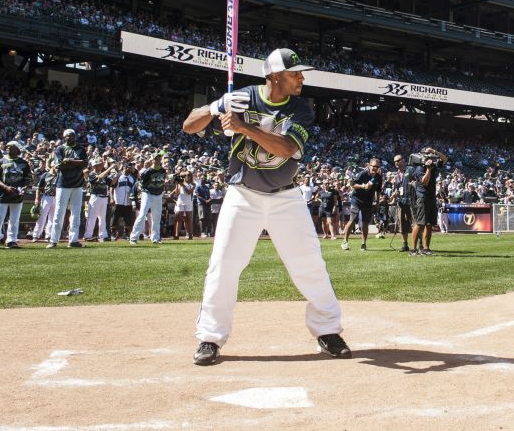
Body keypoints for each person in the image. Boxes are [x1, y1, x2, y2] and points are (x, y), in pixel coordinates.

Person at [183, 48, 349, 366]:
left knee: (309, 264)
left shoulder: (301, 108)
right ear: (274, 76)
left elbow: (286, 149)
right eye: (294, 73)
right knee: (224, 265)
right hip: (242, 195)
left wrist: (244, 128)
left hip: (286, 197)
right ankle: (210, 339)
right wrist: (215, 107)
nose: (301, 78)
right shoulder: (243, 97)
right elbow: (189, 126)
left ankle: (327, 331)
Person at [46, 129, 88, 248]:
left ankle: (73, 240)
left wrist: (69, 160)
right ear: (64, 137)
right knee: (59, 212)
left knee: (76, 212)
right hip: (63, 183)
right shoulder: (60, 149)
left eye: (72, 136)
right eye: (68, 136)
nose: (70, 138)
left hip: (78, 183)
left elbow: (85, 163)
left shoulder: (80, 149)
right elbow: (59, 165)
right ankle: (53, 240)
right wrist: (76, 163)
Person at [0, 140, 33, 248]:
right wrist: (6, 187)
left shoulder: (23, 163)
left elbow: (27, 179)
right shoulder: (0, 162)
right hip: (3, 193)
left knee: (14, 218)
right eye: (7, 146)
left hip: (17, 194)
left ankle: (11, 240)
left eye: (11, 146)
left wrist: (23, 188)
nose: (8, 147)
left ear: (17, 150)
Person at [408, 147, 446, 256]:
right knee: (420, 223)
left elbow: (444, 159)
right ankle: (413, 249)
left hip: (431, 197)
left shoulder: (433, 165)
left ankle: (426, 248)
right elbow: (424, 182)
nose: (431, 157)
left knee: (429, 224)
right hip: (422, 198)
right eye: (428, 154)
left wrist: (435, 151)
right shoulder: (420, 168)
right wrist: (428, 169)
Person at [341, 158, 382, 252]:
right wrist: (363, 186)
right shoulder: (363, 174)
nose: (375, 168)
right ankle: (344, 241)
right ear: (369, 165)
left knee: (365, 223)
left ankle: (363, 244)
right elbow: (352, 184)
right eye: (373, 166)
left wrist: (378, 201)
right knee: (352, 220)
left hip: (368, 201)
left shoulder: (379, 177)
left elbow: (378, 190)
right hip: (357, 200)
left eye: (377, 166)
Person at [130, 153, 168, 244]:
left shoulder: (163, 171)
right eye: (156, 158)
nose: (158, 160)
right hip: (148, 194)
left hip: (158, 195)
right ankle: (134, 237)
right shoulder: (147, 172)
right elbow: (142, 185)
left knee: (157, 217)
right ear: (152, 160)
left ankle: (155, 238)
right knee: (142, 214)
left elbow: (162, 182)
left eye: (159, 158)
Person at [82, 157, 112, 241]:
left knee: (103, 218)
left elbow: (111, 183)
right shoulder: (92, 174)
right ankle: (88, 235)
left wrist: (115, 174)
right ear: (95, 166)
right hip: (95, 196)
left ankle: (103, 235)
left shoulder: (103, 173)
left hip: (104, 197)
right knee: (92, 217)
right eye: (99, 165)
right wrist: (110, 168)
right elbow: (99, 178)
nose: (101, 166)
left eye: (101, 164)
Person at [390, 154, 413, 252]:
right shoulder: (396, 175)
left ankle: (420, 244)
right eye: (395, 161)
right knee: (402, 224)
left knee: (415, 223)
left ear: (403, 160)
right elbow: (396, 189)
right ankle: (405, 244)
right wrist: (394, 194)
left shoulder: (410, 170)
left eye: (398, 160)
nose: (396, 163)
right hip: (401, 202)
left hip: (411, 201)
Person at [110, 161, 136, 240]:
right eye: (129, 167)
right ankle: (113, 234)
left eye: (130, 167)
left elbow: (134, 191)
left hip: (128, 202)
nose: (130, 168)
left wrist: (133, 202)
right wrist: (111, 198)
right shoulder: (118, 177)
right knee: (114, 219)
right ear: (125, 167)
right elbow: (111, 187)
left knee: (128, 219)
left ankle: (126, 234)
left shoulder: (132, 178)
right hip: (118, 201)